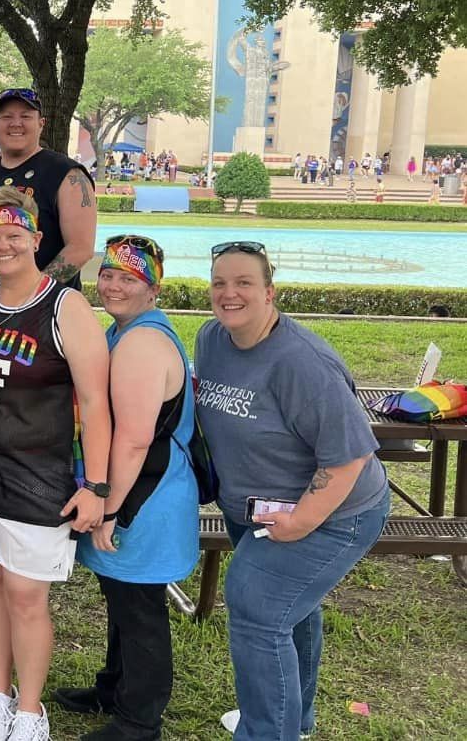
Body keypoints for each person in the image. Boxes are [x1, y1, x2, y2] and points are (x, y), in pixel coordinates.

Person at [196, 241, 390, 741]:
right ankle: (293, 720)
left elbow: (349, 457)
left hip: (335, 513)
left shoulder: (302, 362)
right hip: (254, 508)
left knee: (257, 606)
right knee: (288, 608)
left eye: (244, 283)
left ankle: (268, 732)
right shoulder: (211, 340)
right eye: (220, 283)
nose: (229, 293)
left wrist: (302, 520)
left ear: (270, 292)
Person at [0, 188, 111, 741]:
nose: (2, 246)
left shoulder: (64, 305)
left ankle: (30, 709)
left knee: (26, 593)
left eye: (13, 236)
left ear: (37, 240)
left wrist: (96, 484)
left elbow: (94, 401)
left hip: (37, 476)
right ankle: (0, 693)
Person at [58, 236, 199, 741]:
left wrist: (109, 507)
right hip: (142, 494)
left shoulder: (141, 343)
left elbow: (136, 440)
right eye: (109, 274)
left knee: (140, 613)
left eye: (129, 278)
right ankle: (113, 688)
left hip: (144, 500)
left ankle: (140, 721)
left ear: (153, 289)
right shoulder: (128, 330)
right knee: (122, 602)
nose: (113, 285)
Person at [0, 89, 97, 289]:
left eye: (26, 116)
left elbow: (80, 248)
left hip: (44, 307)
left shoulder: (67, 174)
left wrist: (31, 295)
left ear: (41, 124)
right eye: (6, 117)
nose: (16, 123)